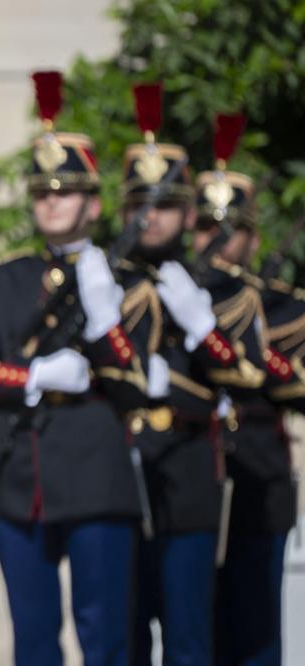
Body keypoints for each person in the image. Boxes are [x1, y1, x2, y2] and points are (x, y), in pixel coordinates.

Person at [0, 70, 148, 666]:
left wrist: (100, 310)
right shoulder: (6, 276)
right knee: (33, 640)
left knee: (106, 637)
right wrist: (32, 377)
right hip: (21, 477)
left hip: (97, 469)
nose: (52, 201)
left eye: (65, 191)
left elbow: (137, 377)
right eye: (42, 192)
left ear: (93, 201)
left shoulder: (126, 279)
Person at [113, 86, 244, 666]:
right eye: (142, 204)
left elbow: (240, 378)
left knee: (189, 638)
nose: (152, 216)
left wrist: (200, 329)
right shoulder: (103, 284)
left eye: (165, 205)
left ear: (189, 215)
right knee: (126, 638)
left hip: (189, 478)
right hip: (118, 479)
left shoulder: (213, 289)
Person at [189, 114, 298, 666]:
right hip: (190, 477)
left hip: (258, 475)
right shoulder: (172, 298)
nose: (219, 241)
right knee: (193, 632)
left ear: (254, 237)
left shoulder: (282, 306)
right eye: (207, 228)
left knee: (257, 635)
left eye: (231, 229)